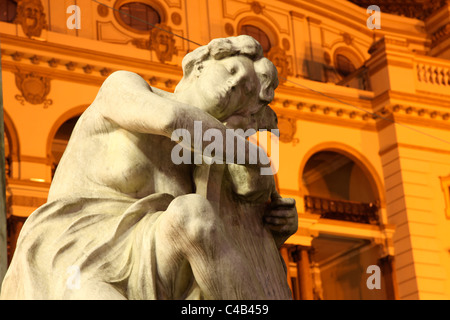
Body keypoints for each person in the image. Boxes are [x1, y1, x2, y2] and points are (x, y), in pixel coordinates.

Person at [1, 35, 297, 300]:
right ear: (200, 65)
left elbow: (237, 225)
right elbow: (170, 118)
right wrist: (253, 155)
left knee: (192, 212)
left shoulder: (210, 156)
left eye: (246, 92)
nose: (234, 85)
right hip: (78, 249)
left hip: (151, 251)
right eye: (232, 70)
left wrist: (276, 226)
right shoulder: (124, 87)